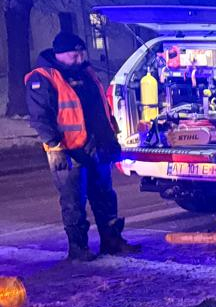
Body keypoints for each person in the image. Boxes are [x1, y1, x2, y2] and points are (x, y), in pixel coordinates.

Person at [25, 31, 140, 261]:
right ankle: (78, 248)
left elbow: (101, 109)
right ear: (59, 54)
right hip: (68, 150)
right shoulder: (43, 78)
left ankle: (112, 241)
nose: (79, 58)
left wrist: (112, 138)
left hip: (97, 146)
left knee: (105, 196)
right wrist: (54, 146)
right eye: (73, 54)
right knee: (73, 201)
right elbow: (40, 116)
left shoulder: (86, 73)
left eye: (81, 52)